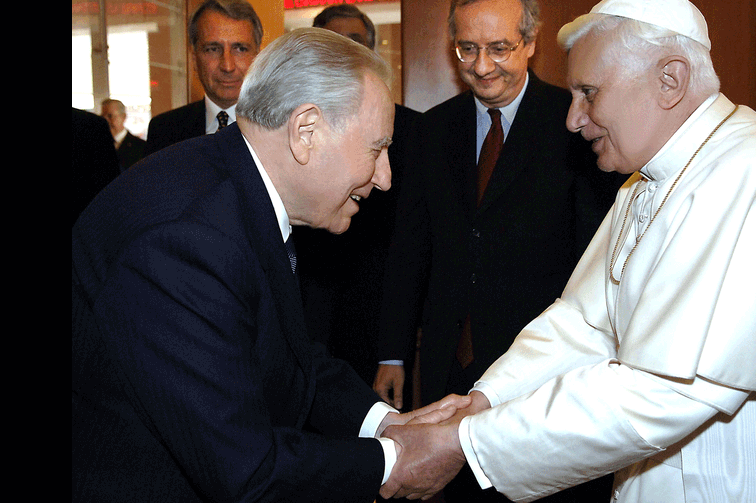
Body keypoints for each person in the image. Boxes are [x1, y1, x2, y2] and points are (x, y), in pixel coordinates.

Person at [381, 0, 756, 503]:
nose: (573, 118)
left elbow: (663, 390)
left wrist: (469, 443)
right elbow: (583, 323)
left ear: (670, 80)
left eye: (589, 94)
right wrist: (484, 401)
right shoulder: (646, 182)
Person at [73, 27, 467, 503]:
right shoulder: (188, 240)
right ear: (306, 131)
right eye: (377, 148)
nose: (384, 178)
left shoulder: (233, 187)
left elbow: (288, 357)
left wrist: (387, 422)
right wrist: (395, 462)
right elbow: (246, 469)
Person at [374, 0, 622, 500]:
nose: (482, 66)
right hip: (449, 370)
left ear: (531, 41)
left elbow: (595, 261)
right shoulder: (431, 130)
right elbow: (410, 251)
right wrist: (393, 353)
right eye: (467, 49)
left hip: (544, 376)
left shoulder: (577, 124)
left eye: (500, 48)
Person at [292, 4, 420, 393]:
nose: (380, 178)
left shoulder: (412, 131)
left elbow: (410, 245)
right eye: (335, 46)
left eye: (356, 45)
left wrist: (392, 352)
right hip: (301, 315)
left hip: (372, 317)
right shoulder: (292, 129)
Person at [143, 0, 262, 157]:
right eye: (212, 49)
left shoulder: (282, 128)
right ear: (194, 58)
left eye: (240, 49)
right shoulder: (165, 130)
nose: (227, 66)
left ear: (259, 57)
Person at [100, 98, 146, 169]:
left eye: (110, 116)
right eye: (102, 117)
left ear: (123, 117)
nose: (106, 121)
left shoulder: (141, 146)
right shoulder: (97, 145)